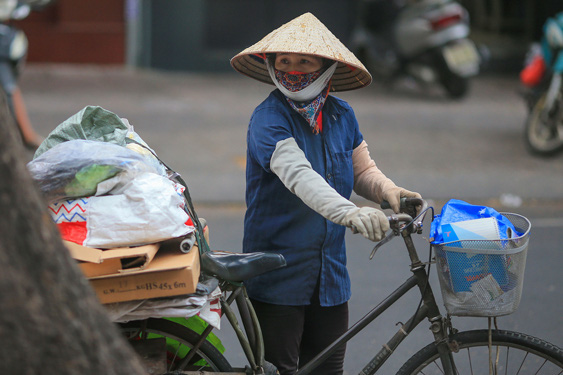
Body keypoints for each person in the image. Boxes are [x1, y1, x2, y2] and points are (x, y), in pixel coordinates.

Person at [230, 13, 421, 375]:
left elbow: (362, 169)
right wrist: (351, 213)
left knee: (328, 369)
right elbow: (301, 177)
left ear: (326, 67)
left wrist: (389, 191)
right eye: (284, 61)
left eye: (304, 61)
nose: (293, 69)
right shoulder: (268, 119)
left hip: (330, 280)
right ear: (271, 65)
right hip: (278, 279)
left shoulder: (341, 115)